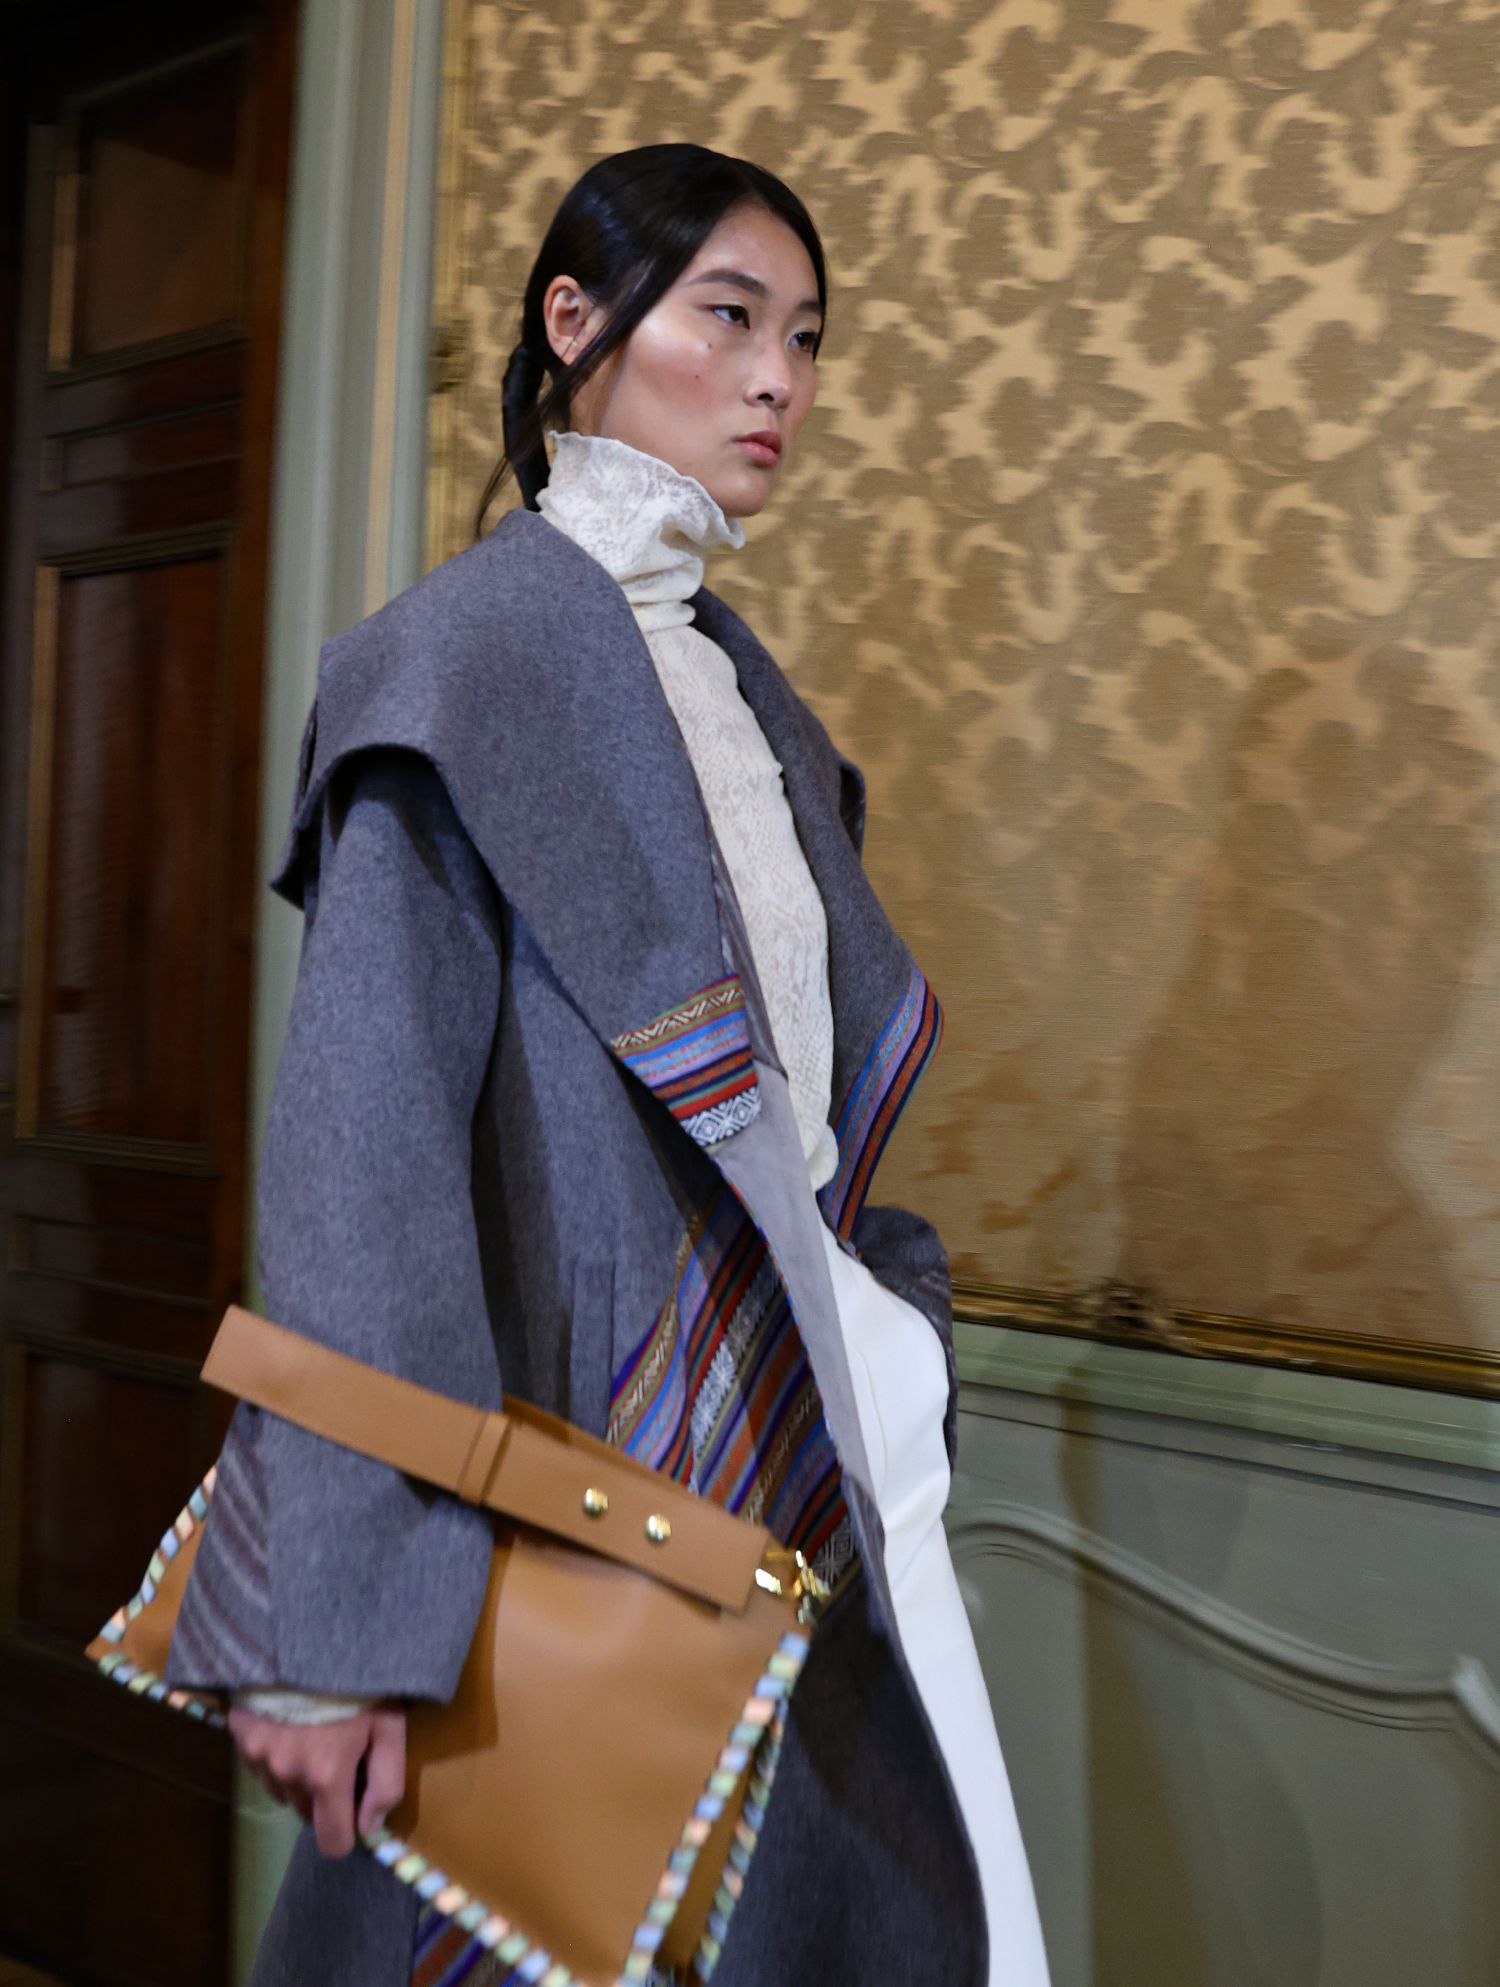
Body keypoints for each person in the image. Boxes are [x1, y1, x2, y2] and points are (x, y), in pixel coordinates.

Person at [166, 141, 1051, 1987]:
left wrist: (894, 1327)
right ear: (575, 323)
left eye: (806, 336)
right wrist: (334, 1631)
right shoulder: (454, 665)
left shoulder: (745, 695)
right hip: (609, 1495)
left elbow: (801, 1118)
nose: (777, 378)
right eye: (728, 316)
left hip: (839, 1480)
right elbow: (365, 1163)